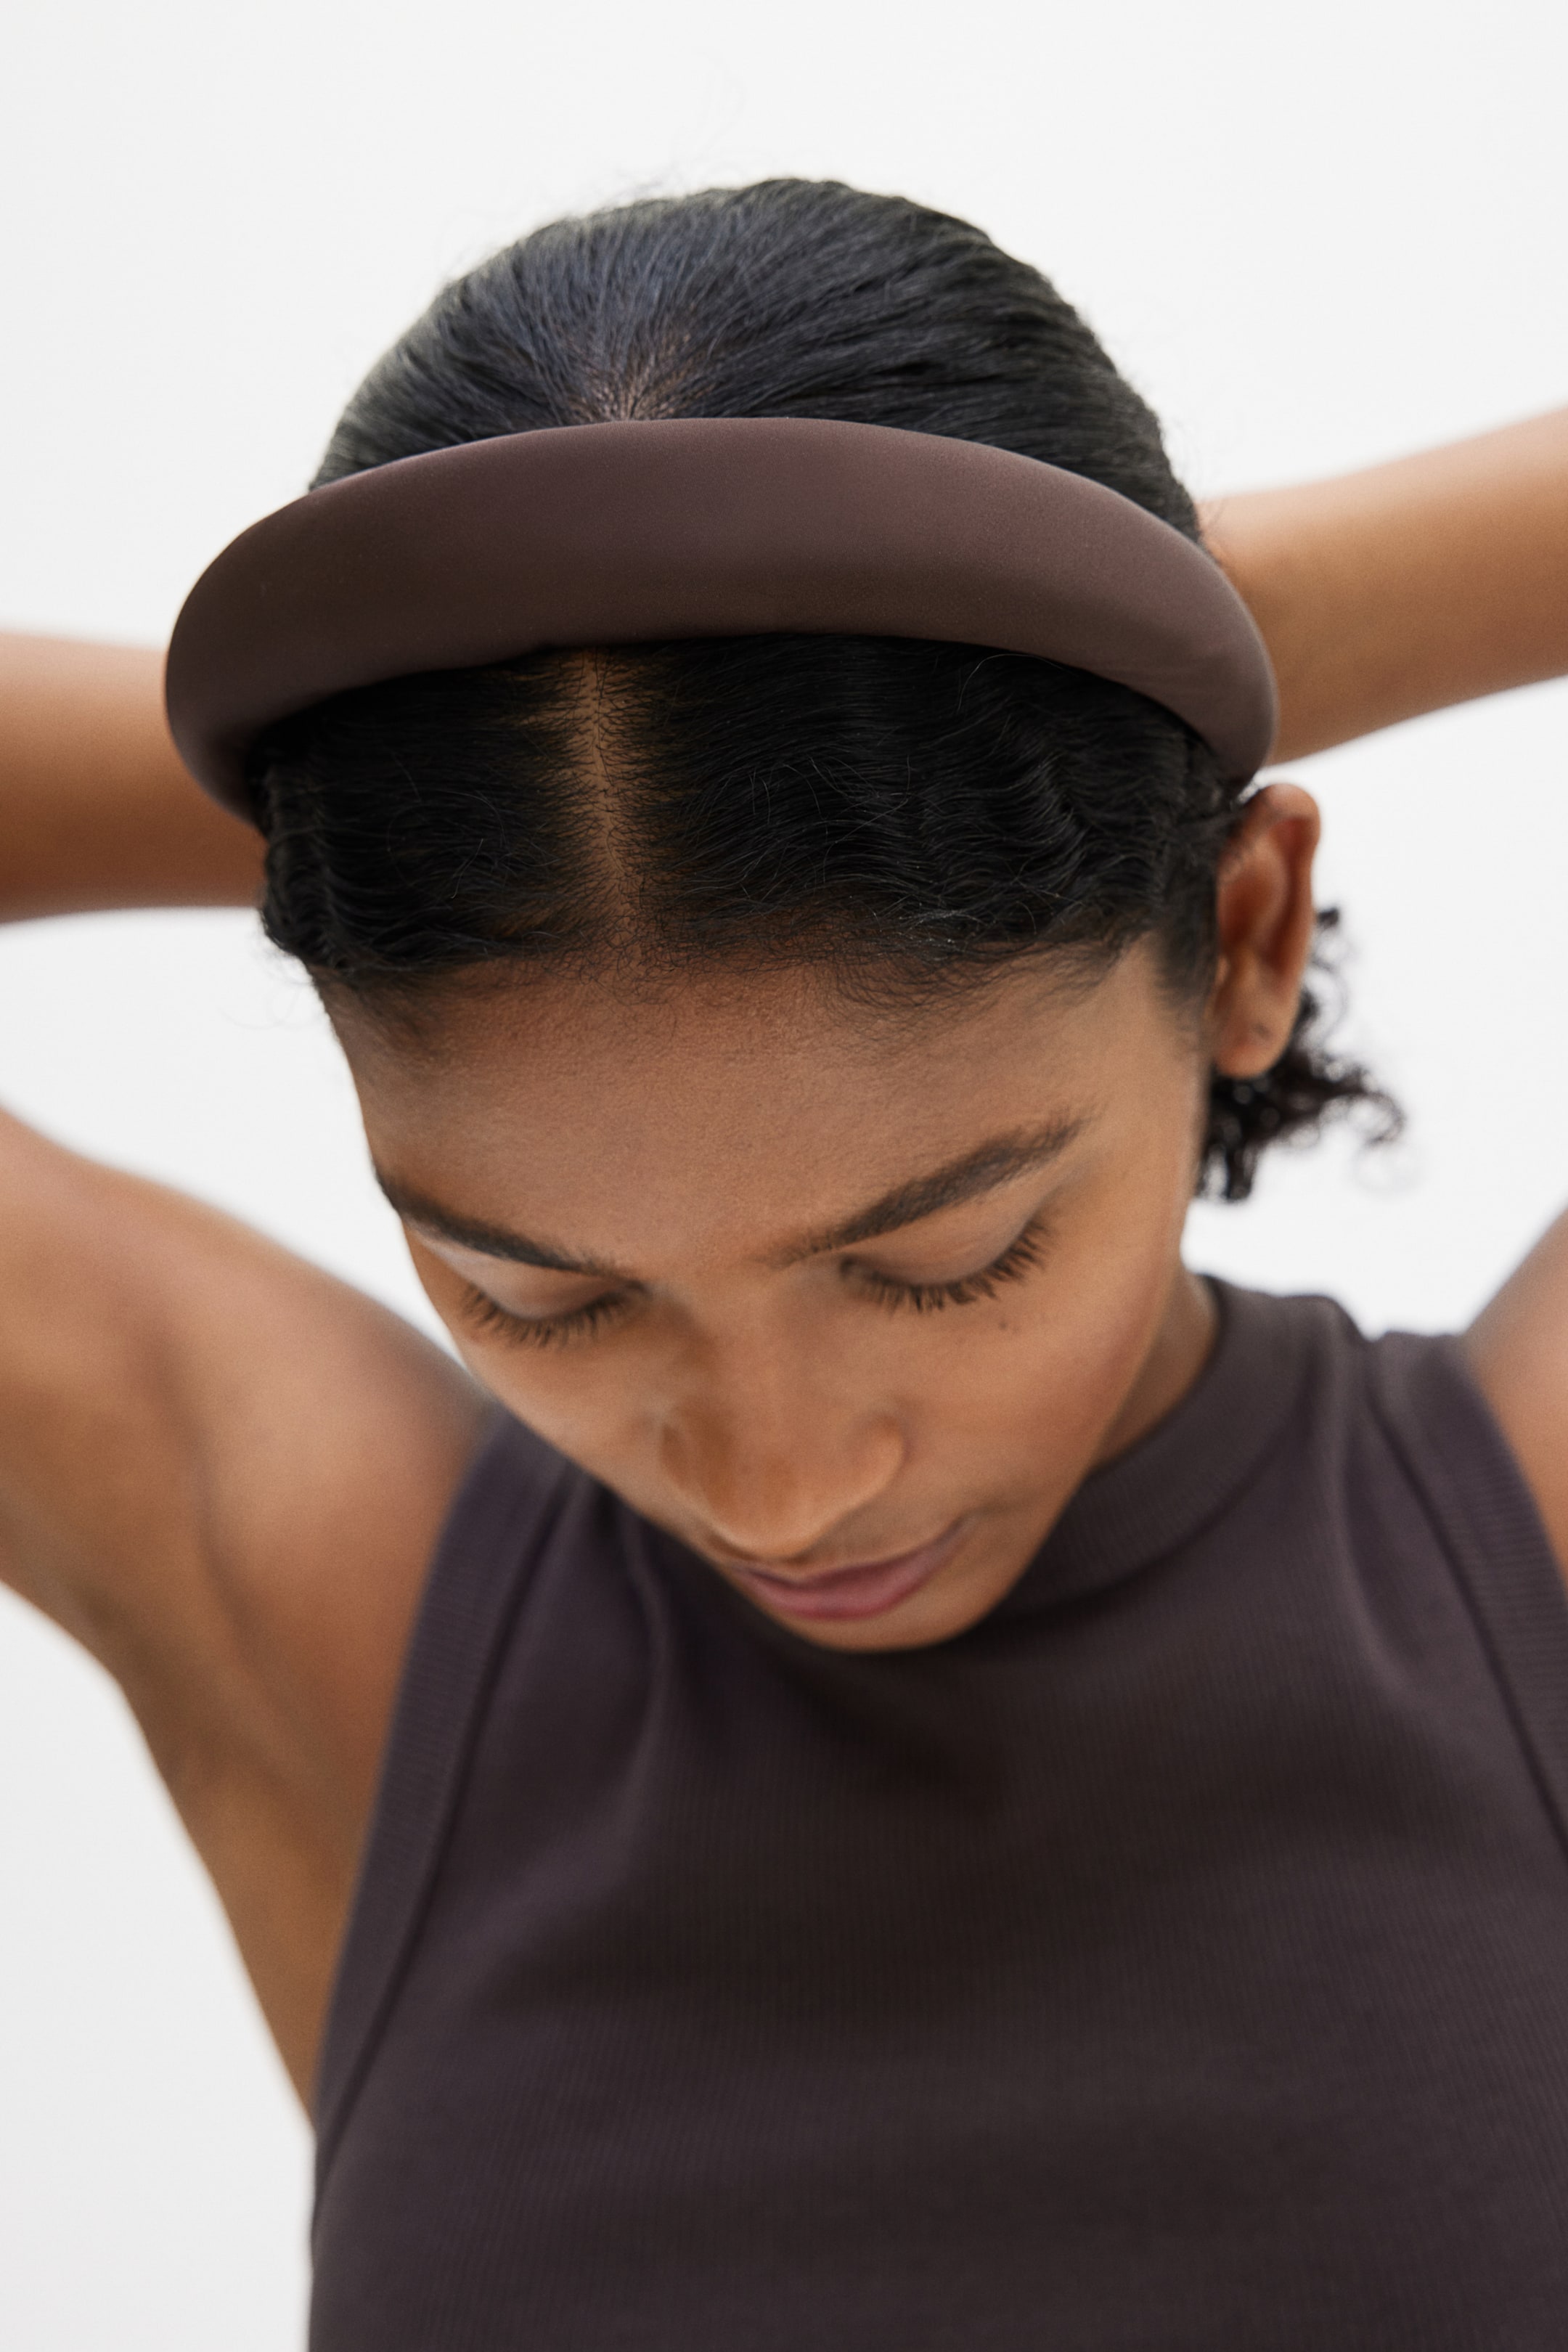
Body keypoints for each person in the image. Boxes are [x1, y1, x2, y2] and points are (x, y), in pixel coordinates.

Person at [3, 180, 1567, 2348]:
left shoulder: (1515, 1560)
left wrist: (1170, 640)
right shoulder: (354, 1616)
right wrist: (440, 793)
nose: (779, 1486)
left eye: (946, 1257)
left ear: (1239, 935)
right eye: (543, 1295)